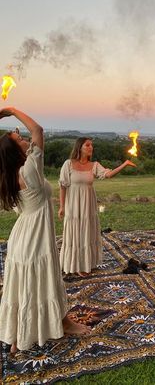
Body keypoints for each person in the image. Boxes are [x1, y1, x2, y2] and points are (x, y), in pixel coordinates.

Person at [0, 107, 90, 353]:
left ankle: (19, 337)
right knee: (45, 279)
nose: (23, 137)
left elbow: (20, 142)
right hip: (36, 236)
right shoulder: (29, 170)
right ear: (15, 151)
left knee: (24, 284)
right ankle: (60, 323)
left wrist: (11, 137)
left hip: (22, 236)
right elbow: (38, 130)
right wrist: (10, 110)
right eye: (19, 139)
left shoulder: (7, 173)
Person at [58, 137, 136, 276]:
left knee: (87, 232)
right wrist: (62, 207)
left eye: (92, 145)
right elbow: (63, 186)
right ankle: (74, 264)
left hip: (88, 204)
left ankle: (86, 263)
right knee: (75, 232)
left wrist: (125, 164)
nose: (91, 147)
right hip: (74, 205)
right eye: (87, 145)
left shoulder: (94, 165)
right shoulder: (68, 164)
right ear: (79, 147)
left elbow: (108, 174)